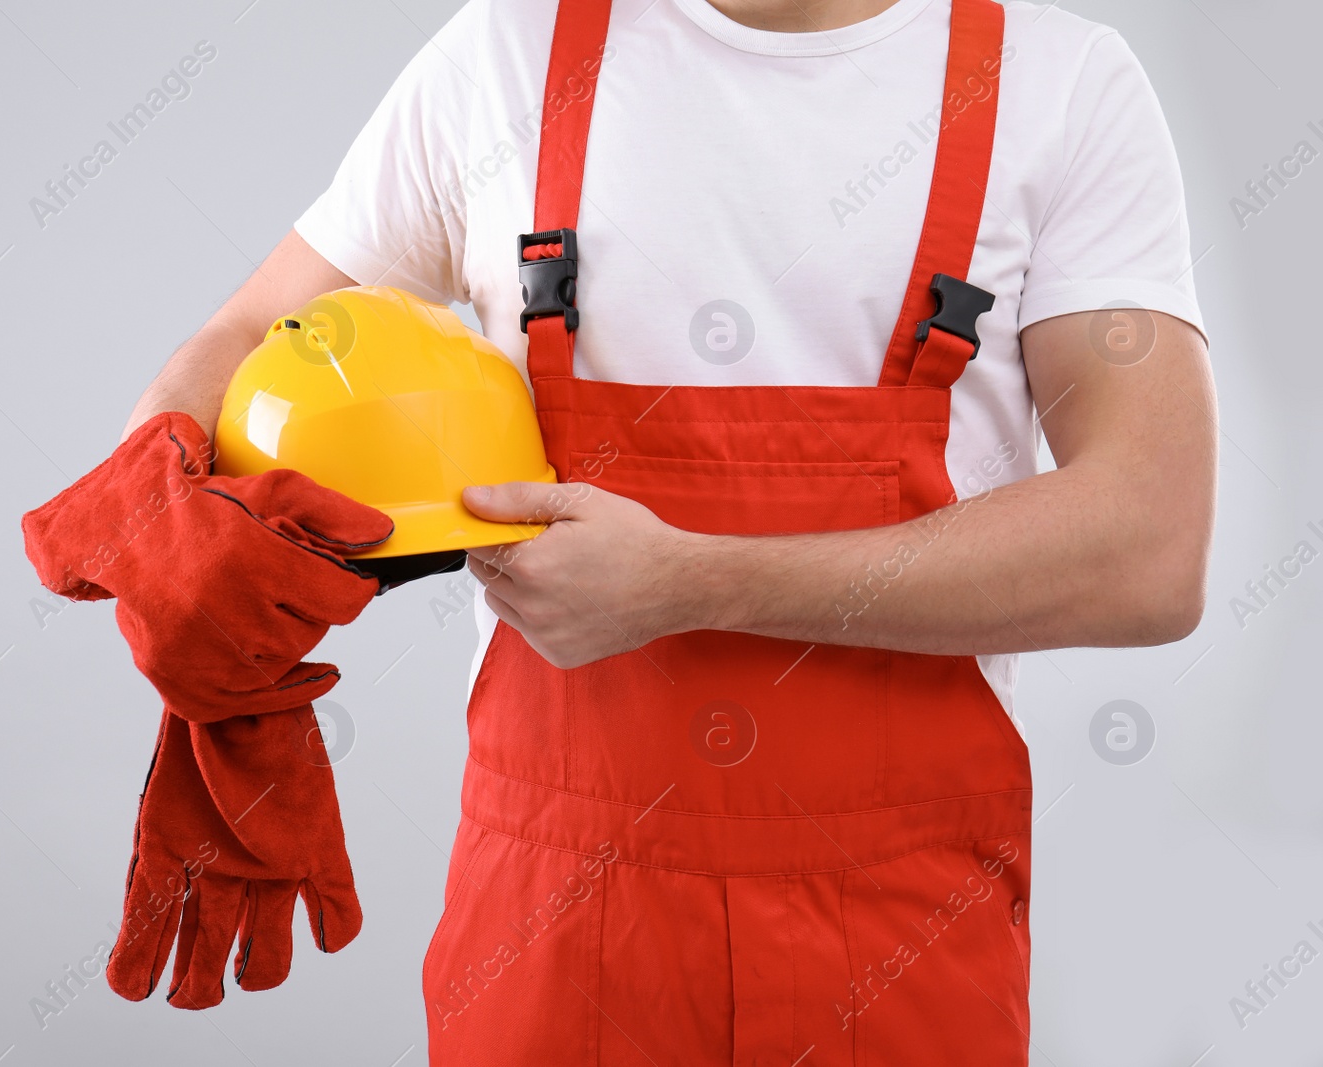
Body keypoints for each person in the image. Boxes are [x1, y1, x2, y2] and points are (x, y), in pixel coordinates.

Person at [100, 0, 1215, 1061]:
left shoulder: (1056, 86)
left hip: (901, 927)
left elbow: (1149, 544)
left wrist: (696, 583)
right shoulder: (510, 56)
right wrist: (171, 531)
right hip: (555, 921)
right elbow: (254, 331)